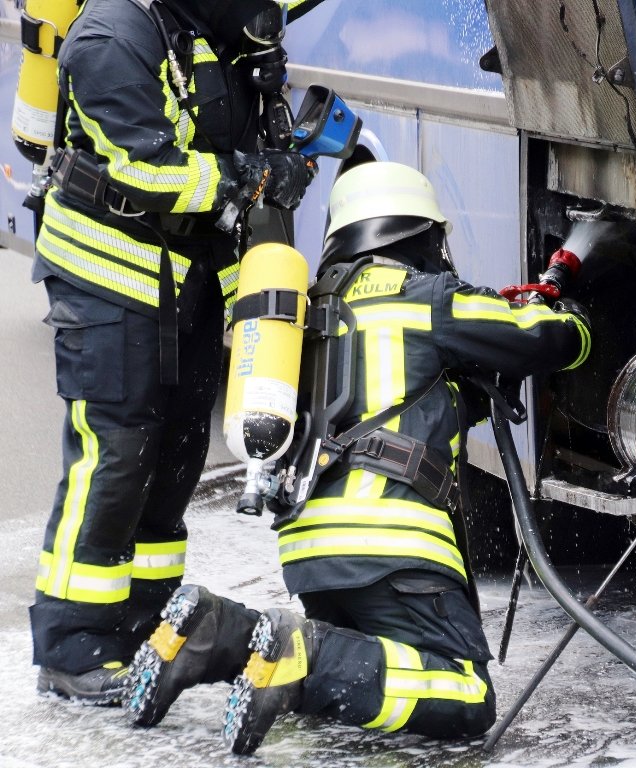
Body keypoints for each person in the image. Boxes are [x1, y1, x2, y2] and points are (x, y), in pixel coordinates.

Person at [122, 160, 593, 754]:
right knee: (465, 694)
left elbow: (393, 402)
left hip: (309, 554)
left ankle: (220, 632)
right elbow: (539, 336)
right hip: (393, 547)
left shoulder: (305, 311)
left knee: (355, 658)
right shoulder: (424, 298)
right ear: (416, 233)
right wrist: (576, 323)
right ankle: (309, 657)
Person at [30, 0, 316, 704]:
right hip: (108, 274)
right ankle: (71, 647)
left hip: (185, 281)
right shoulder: (111, 36)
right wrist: (251, 176)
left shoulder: (207, 32)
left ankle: (144, 629)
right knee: (117, 454)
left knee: (176, 457)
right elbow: (147, 170)